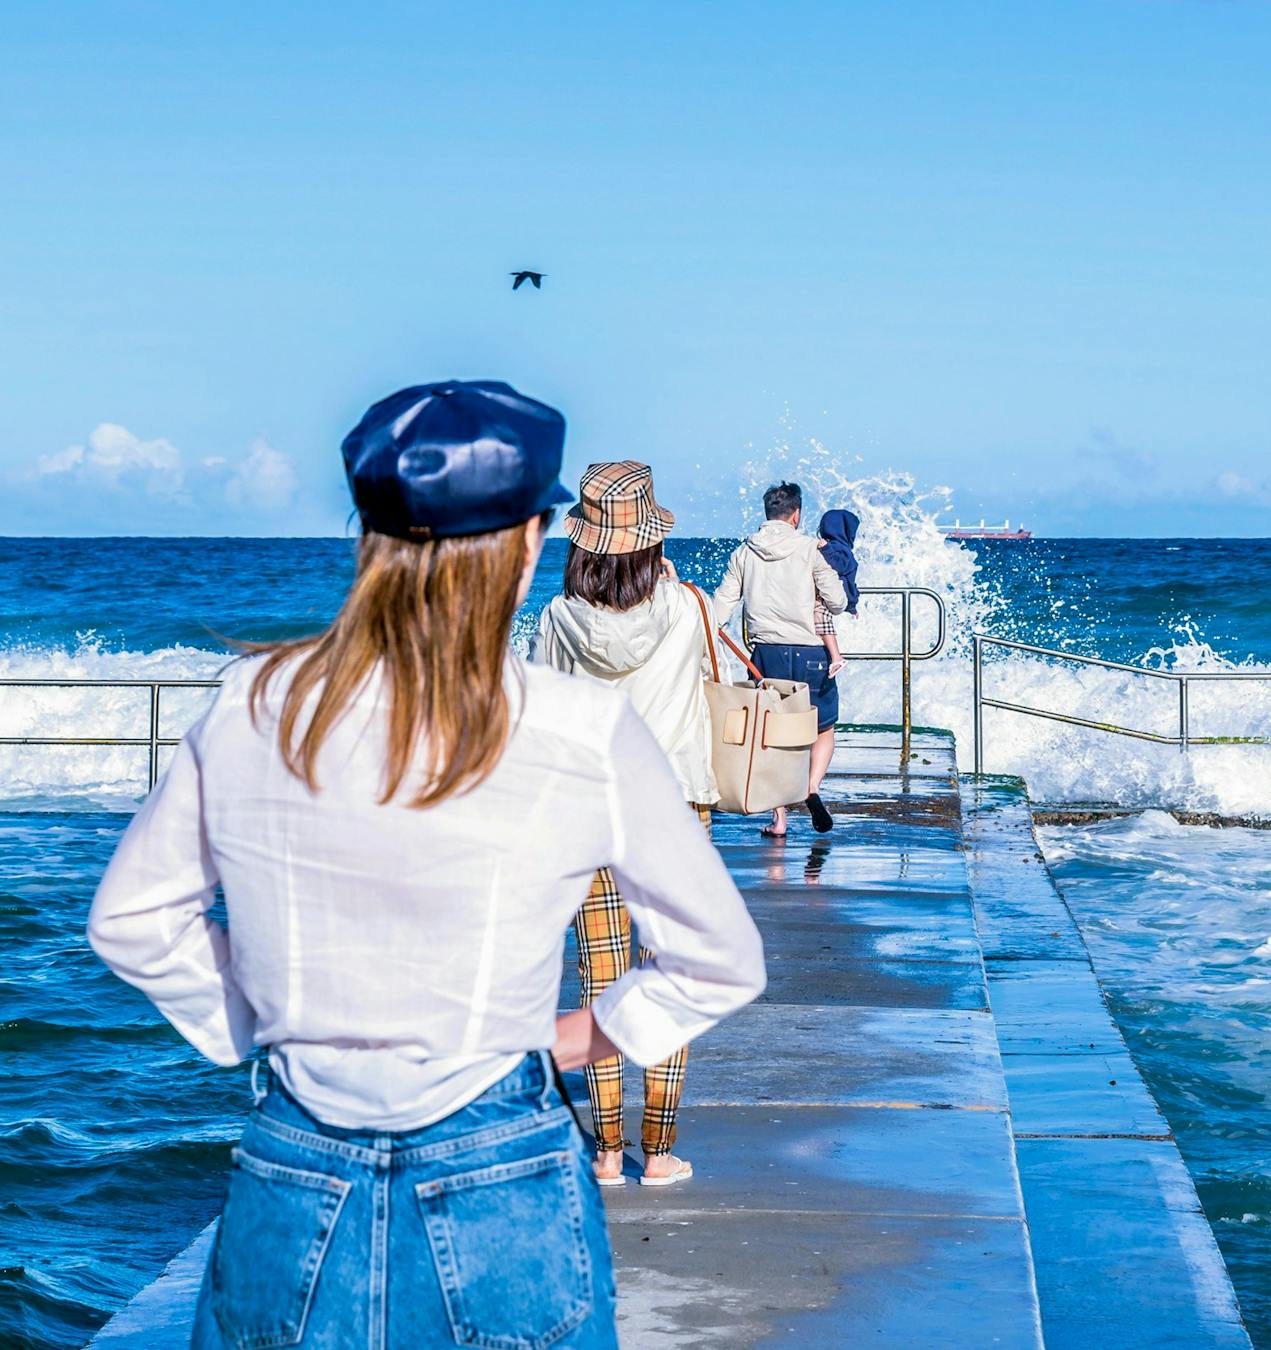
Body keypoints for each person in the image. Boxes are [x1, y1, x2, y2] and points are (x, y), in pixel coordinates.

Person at [87, 381, 765, 1349]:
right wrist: (575, 1038)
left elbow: (132, 920)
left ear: (367, 536)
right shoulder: (581, 732)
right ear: (531, 546)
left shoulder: (249, 704)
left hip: (293, 1172)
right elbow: (721, 958)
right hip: (505, 1176)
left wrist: (261, 1015)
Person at [532, 459, 716, 1189]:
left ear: (582, 546)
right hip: (674, 808)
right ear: (649, 541)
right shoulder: (688, 605)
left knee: (602, 977)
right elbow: (714, 687)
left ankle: (606, 1152)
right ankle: (659, 1150)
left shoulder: (556, 618)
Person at [712, 482, 847, 838]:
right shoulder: (809, 550)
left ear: (767, 513)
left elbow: (721, 607)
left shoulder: (744, 553)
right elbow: (837, 602)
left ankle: (779, 819)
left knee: (772, 733)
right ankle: (812, 787)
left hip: (765, 654)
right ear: (796, 515)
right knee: (823, 727)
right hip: (811, 653)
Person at [813, 508, 861, 678]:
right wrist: (852, 607)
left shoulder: (839, 549)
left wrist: (826, 550)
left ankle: (836, 656)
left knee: (820, 614)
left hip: (838, 595)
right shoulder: (842, 547)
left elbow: (840, 565)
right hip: (842, 595)